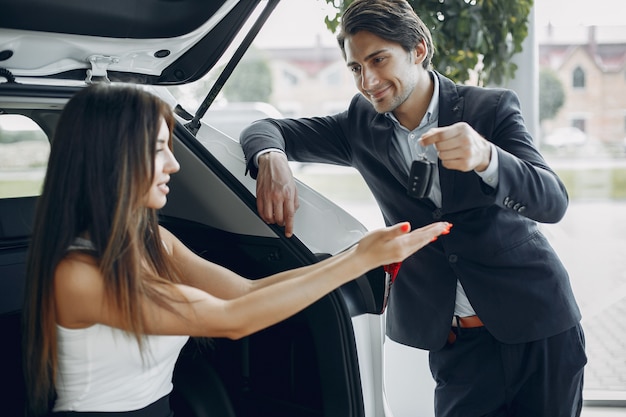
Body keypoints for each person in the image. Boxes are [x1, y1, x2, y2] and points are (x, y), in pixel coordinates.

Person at [239, 0, 586, 416]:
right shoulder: (358, 125)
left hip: (539, 325)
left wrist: (487, 158)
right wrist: (271, 158)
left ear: (418, 50)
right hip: (458, 347)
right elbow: (265, 129)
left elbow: (552, 201)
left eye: (378, 59)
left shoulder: (489, 109)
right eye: (355, 68)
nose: (367, 80)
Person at [21, 83, 450, 417]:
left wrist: (354, 257)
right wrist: (359, 261)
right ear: (110, 159)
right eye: (157, 150)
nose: (173, 164)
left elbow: (244, 293)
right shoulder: (78, 274)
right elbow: (233, 320)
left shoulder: (154, 241)